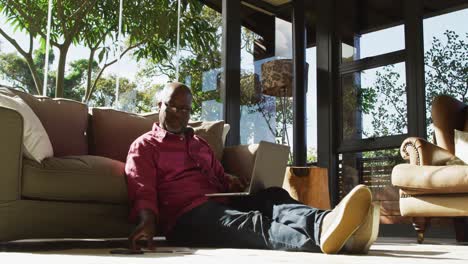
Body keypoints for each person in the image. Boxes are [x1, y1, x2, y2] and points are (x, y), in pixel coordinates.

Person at [125, 82, 378, 254]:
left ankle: (325, 223)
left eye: (185, 109)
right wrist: (147, 221)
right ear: (159, 105)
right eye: (172, 106)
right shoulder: (144, 146)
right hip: (186, 217)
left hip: (218, 203)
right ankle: (336, 243)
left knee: (273, 197)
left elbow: (218, 178)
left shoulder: (199, 144)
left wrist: (233, 182)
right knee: (253, 223)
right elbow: (141, 187)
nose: (179, 114)